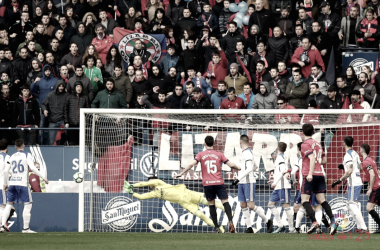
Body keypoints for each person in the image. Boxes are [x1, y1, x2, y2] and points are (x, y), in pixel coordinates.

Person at [174, 136, 240, 233]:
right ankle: (230, 221)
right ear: (214, 143)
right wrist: (238, 167)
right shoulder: (219, 154)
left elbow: (191, 164)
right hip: (219, 182)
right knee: (225, 202)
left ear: (205, 144)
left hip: (208, 184)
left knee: (211, 204)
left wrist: (181, 173)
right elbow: (230, 165)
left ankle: (217, 227)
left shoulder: (200, 154)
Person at [123, 177, 228, 233]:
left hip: (187, 193)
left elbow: (143, 184)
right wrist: (131, 192)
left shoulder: (160, 183)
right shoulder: (154, 193)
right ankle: (219, 227)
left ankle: (228, 211)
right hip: (184, 203)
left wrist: (132, 185)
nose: (149, 183)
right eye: (149, 182)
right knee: (201, 216)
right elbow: (141, 197)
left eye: (150, 181)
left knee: (209, 202)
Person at [0, 138, 48, 233]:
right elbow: (33, 168)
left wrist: (6, 183)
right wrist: (44, 177)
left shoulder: (12, 156)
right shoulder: (27, 155)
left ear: (15, 147)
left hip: (12, 183)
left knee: (9, 204)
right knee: (27, 205)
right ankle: (25, 228)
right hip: (22, 184)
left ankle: (2, 225)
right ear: (24, 146)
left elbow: (6, 171)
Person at [300, 123, 338, 235]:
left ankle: (314, 222)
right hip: (320, 174)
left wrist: (310, 173)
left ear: (303, 132)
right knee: (322, 200)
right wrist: (317, 165)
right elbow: (324, 161)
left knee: (304, 200)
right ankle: (333, 221)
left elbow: (312, 158)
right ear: (313, 132)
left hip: (309, 174)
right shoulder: (318, 144)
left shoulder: (305, 144)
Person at [232, 134, 273, 233]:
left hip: (248, 182)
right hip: (242, 182)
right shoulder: (246, 153)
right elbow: (254, 166)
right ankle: (249, 227)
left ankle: (268, 221)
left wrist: (238, 178)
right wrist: (240, 178)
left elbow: (250, 168)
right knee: (243, 205)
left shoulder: (248, 153)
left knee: (251, 205)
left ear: (240, 142)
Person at [331, 136, 368, 232]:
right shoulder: (355, 153)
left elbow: (350, 170)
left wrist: (339, 180)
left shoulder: (347, 155)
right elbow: (359, 167)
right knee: (349, 205)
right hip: (357, 181)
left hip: (354, 183)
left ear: (344, 143)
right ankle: (360, 227)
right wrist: (344, 168)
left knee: (352, 205)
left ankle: (363, 227)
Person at [266, 142, 294, 233]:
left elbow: (283, 171)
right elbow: (280, 172)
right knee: (270, 204)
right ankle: (281, 225)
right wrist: (273, 180)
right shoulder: (282, 157)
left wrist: (275, 182)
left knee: (286, 206)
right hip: (278, 186)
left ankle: (291, 228)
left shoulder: (280, 157)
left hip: (283, 185)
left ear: (277, 148)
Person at [360, 143, 380, 234]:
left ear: (362, 150)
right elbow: (377, 172)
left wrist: (371, 188)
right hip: (379, 185)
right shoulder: (371, 160)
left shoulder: (366, 162)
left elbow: (372, 174)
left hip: (376, 188)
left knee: (369, 208)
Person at [64, 81, 90, 145]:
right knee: (72, 143)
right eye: (77, 86)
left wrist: (86, 121)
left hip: (81, 124)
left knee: (81, 142)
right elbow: (65, 110)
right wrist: (66, 121)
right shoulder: (69, 97)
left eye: (80, 86)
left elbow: (88, 111)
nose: (79, 88)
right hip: (71, 124)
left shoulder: (85, 97)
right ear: (75, 88)